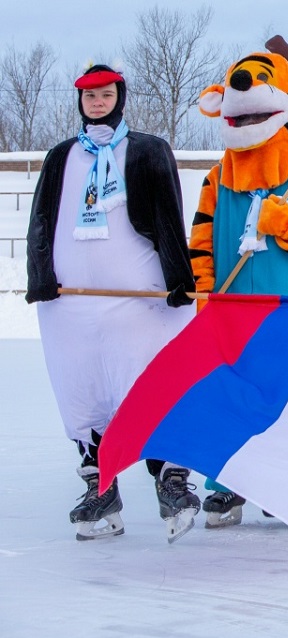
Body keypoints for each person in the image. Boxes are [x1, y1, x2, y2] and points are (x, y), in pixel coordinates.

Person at [26, 64, 199, 541]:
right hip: (72, 307)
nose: (97, 103)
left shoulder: (146, 150)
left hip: (140, 306)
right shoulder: (61, 157)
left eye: (105, 95)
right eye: (89, 97)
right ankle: (100, 489)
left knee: (151, 386)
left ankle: (172, 483)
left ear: (119, 97)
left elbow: (168, 216)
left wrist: (177, 280)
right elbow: (41, 220)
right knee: (85, 395)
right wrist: (40, 277)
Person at [190, 52, 288, 526]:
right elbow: (202, 241)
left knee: (287, 395)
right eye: (243, 114)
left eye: (258, 113)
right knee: (233, 392)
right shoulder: (216, 180)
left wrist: (287, 222)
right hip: (230, 311)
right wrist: (203, 293)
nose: (250, 120)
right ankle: (230, 483)